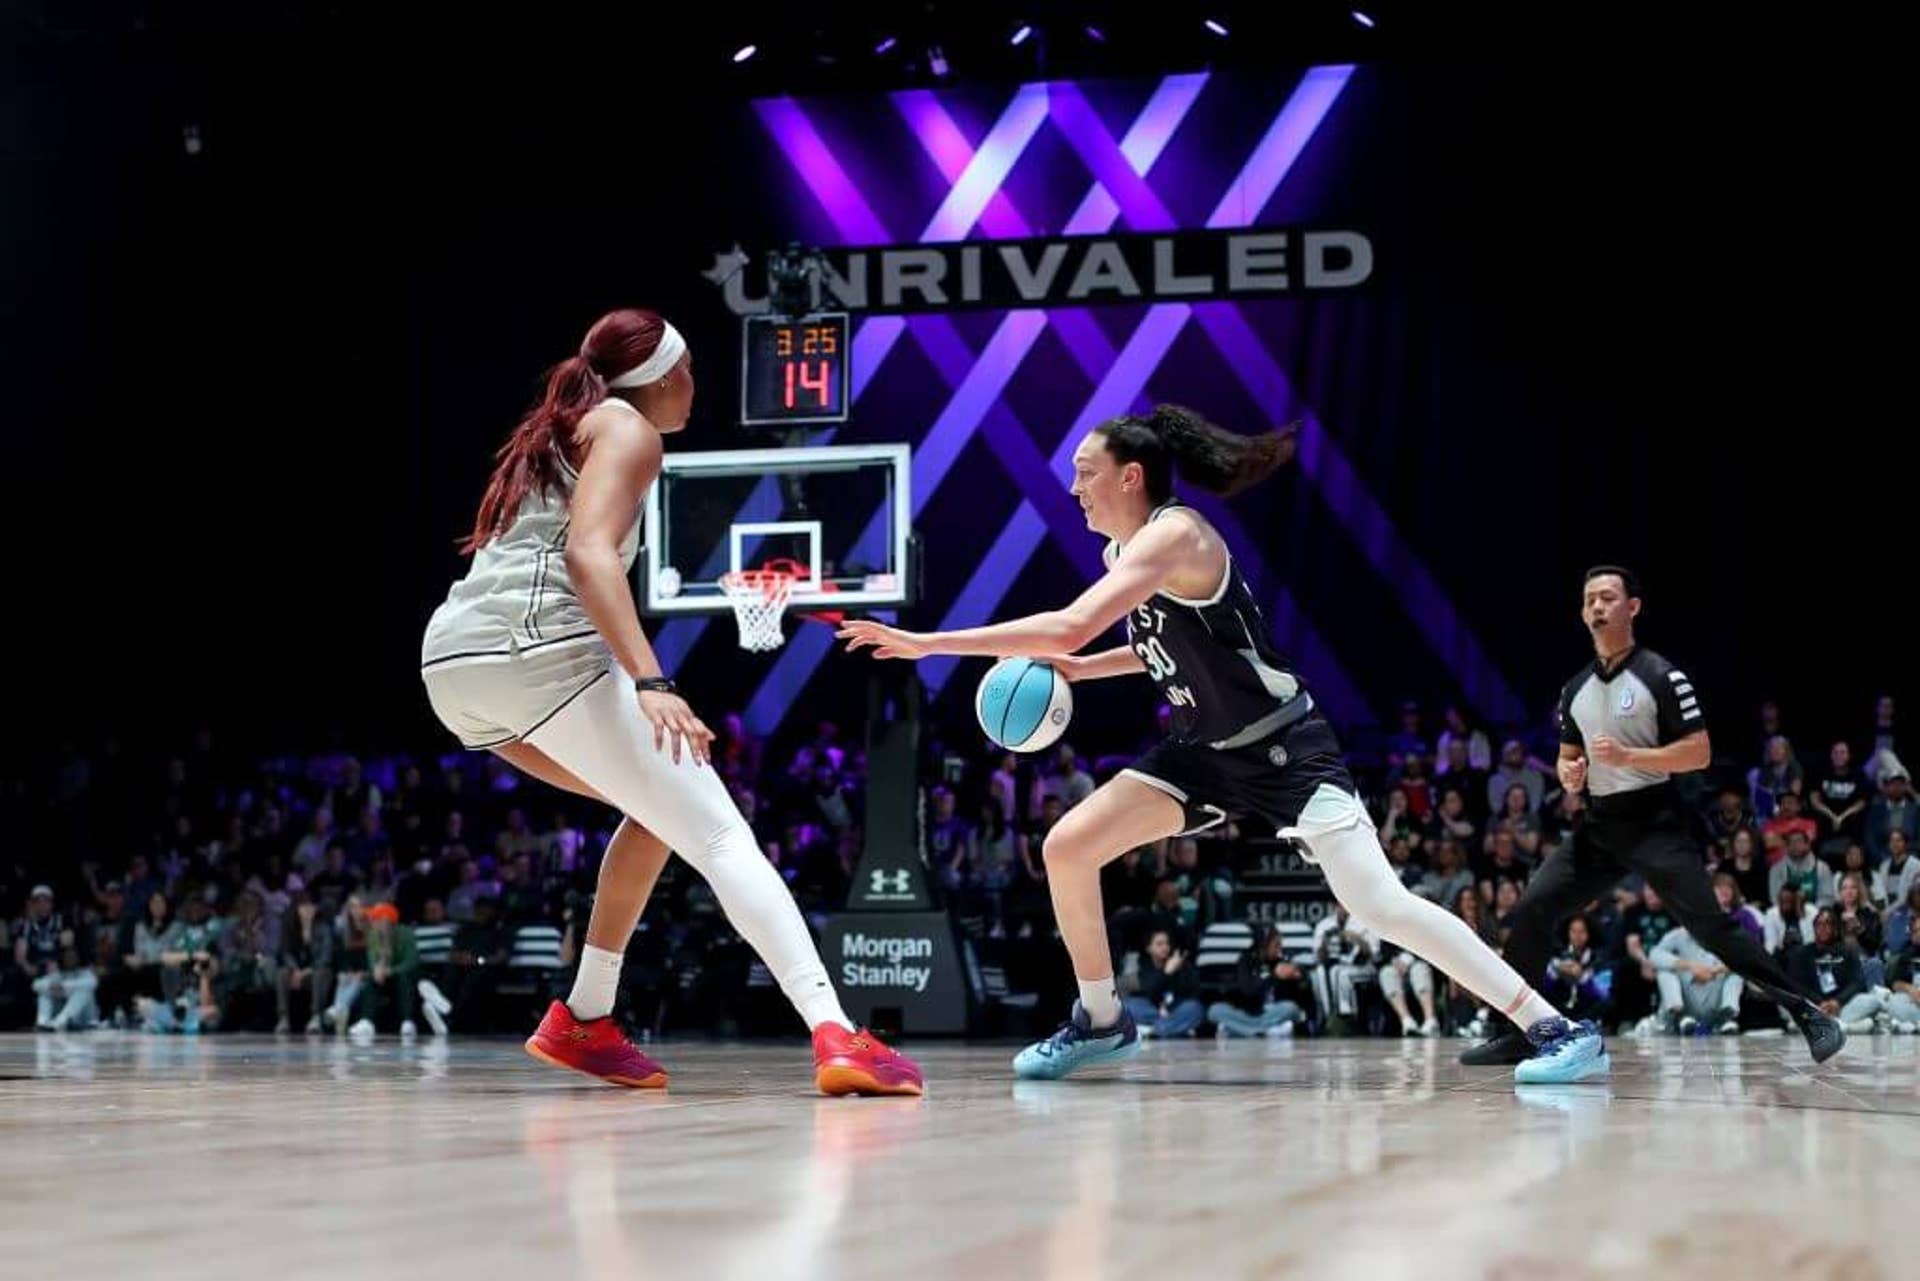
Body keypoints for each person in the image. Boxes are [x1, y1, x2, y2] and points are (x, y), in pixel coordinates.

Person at [839, 404, 1605, 1083]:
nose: (1075, 488)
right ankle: (1101, 1021)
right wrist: (1086, 667)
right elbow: (1164, 648)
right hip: (1201, 754)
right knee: (1068, 846)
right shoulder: (1127, 553)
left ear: (1130, 475)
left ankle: (1555, 1026)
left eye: (1084, 473)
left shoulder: (1177, 535)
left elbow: (1072, 621)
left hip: (1284, 750)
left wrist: (926, 641)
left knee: (1379, 904)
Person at [419, 308, 918, 1096]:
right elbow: (587, 556)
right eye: (687, 369)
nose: (696, 383)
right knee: (720, 831)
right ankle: (836, 1031)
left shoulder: (568, 426)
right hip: (537, 658)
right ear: (656, 377)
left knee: (658, 813)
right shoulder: (628, 429)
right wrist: (652, 682)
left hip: (454, 667)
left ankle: (584, 1016)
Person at [1459, 567, 1844, 1068]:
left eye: (1608, 598)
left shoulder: (1662, 676)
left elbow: (1699, 753)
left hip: (1655, 825)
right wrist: (1569, 774)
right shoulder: (1573, 689)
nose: (1597, 607)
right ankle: (1520, 1032)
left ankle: (1809, 1012)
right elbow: (1566, 755)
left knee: (1713, 929)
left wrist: (1630, 757)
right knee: (1531, 909)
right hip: (1598, 828)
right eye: (1589, 600)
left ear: (1632, 607)